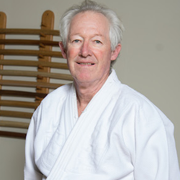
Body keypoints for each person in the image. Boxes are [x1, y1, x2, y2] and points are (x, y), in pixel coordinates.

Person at [24, 0, 180, 180]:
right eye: (76, 40)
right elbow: (31, 175)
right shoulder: (48, 107)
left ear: (114, 51)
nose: (85, 51)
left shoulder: (142, 117)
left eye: (97, 41)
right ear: (64, 50)